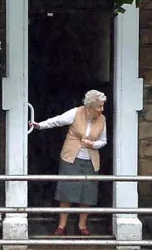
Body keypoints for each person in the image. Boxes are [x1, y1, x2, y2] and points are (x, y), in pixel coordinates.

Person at [28, 89, 108, 236]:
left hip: (91, 160)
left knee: (88, 193)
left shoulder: (102, 119)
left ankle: (82, 225)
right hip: (71, 157)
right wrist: (39, 125)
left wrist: (92, 145)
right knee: (66, 191)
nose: (102, 109)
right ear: (90, 106)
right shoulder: (76, 113)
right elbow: (58, 120)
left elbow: (104, 141)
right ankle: (61, 225)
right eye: (99, 106)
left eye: (102, 106)